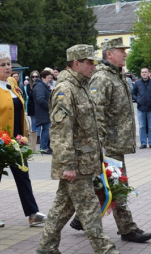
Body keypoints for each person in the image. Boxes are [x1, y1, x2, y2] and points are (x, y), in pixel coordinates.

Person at [36, 45, 119, 254]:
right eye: (89, 62)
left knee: (63, 208)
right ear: (76, 63)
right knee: (89, 207)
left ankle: (46, 248)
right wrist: (67, 165)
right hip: (76, 164)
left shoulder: (81, 85)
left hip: (85, 161)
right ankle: (106, 250)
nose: (93, 66)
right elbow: (61, 132)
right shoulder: (66, 90)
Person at [70, 37, 151, 243]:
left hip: (118, 143)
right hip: (109, 145)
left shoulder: (118, 75)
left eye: (125, 50)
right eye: (120, 50)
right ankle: (127, 228)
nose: (125, 53)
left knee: (105, 183)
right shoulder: (103, 78)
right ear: (109, 54)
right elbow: (96, 113)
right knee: (118, 185)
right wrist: (101, 144)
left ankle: (81, 218)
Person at [0, 50, 46, 228]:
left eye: (8, 64)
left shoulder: (12, 82)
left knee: (23, 175)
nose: (7, 68)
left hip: (16, 139)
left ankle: (32, 213)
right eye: (3, 65)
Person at [132, 67, 151, 149]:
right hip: (140, 108)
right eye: (142, 72)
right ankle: (143, 143)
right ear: (140, 73)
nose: (144, 73)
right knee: (142, 126)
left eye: (145, 72)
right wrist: (137, 99)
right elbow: (133, 93)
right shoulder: (137, 83)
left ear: (149, 73)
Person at [33, 70, 53, 154]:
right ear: (43, 78)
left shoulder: (42, 85)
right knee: (46, 130)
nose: (50, 80)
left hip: (44, 112)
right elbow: (41, 100)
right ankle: (43, 148)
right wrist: (50, 107)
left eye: (51, 78)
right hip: (43, 112)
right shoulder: (40, 86)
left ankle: (45, 147)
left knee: (46, 129)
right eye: (48, 78)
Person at [26, 70, 41, 145]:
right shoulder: (29, 85)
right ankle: (34, 136)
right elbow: (29, 94)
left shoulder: (40, 84)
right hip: (32, 105)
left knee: (38, 121)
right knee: (33, 121)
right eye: (33, 77)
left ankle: (38, 136)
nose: (34, 78)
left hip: (38, 105)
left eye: (36, 76)